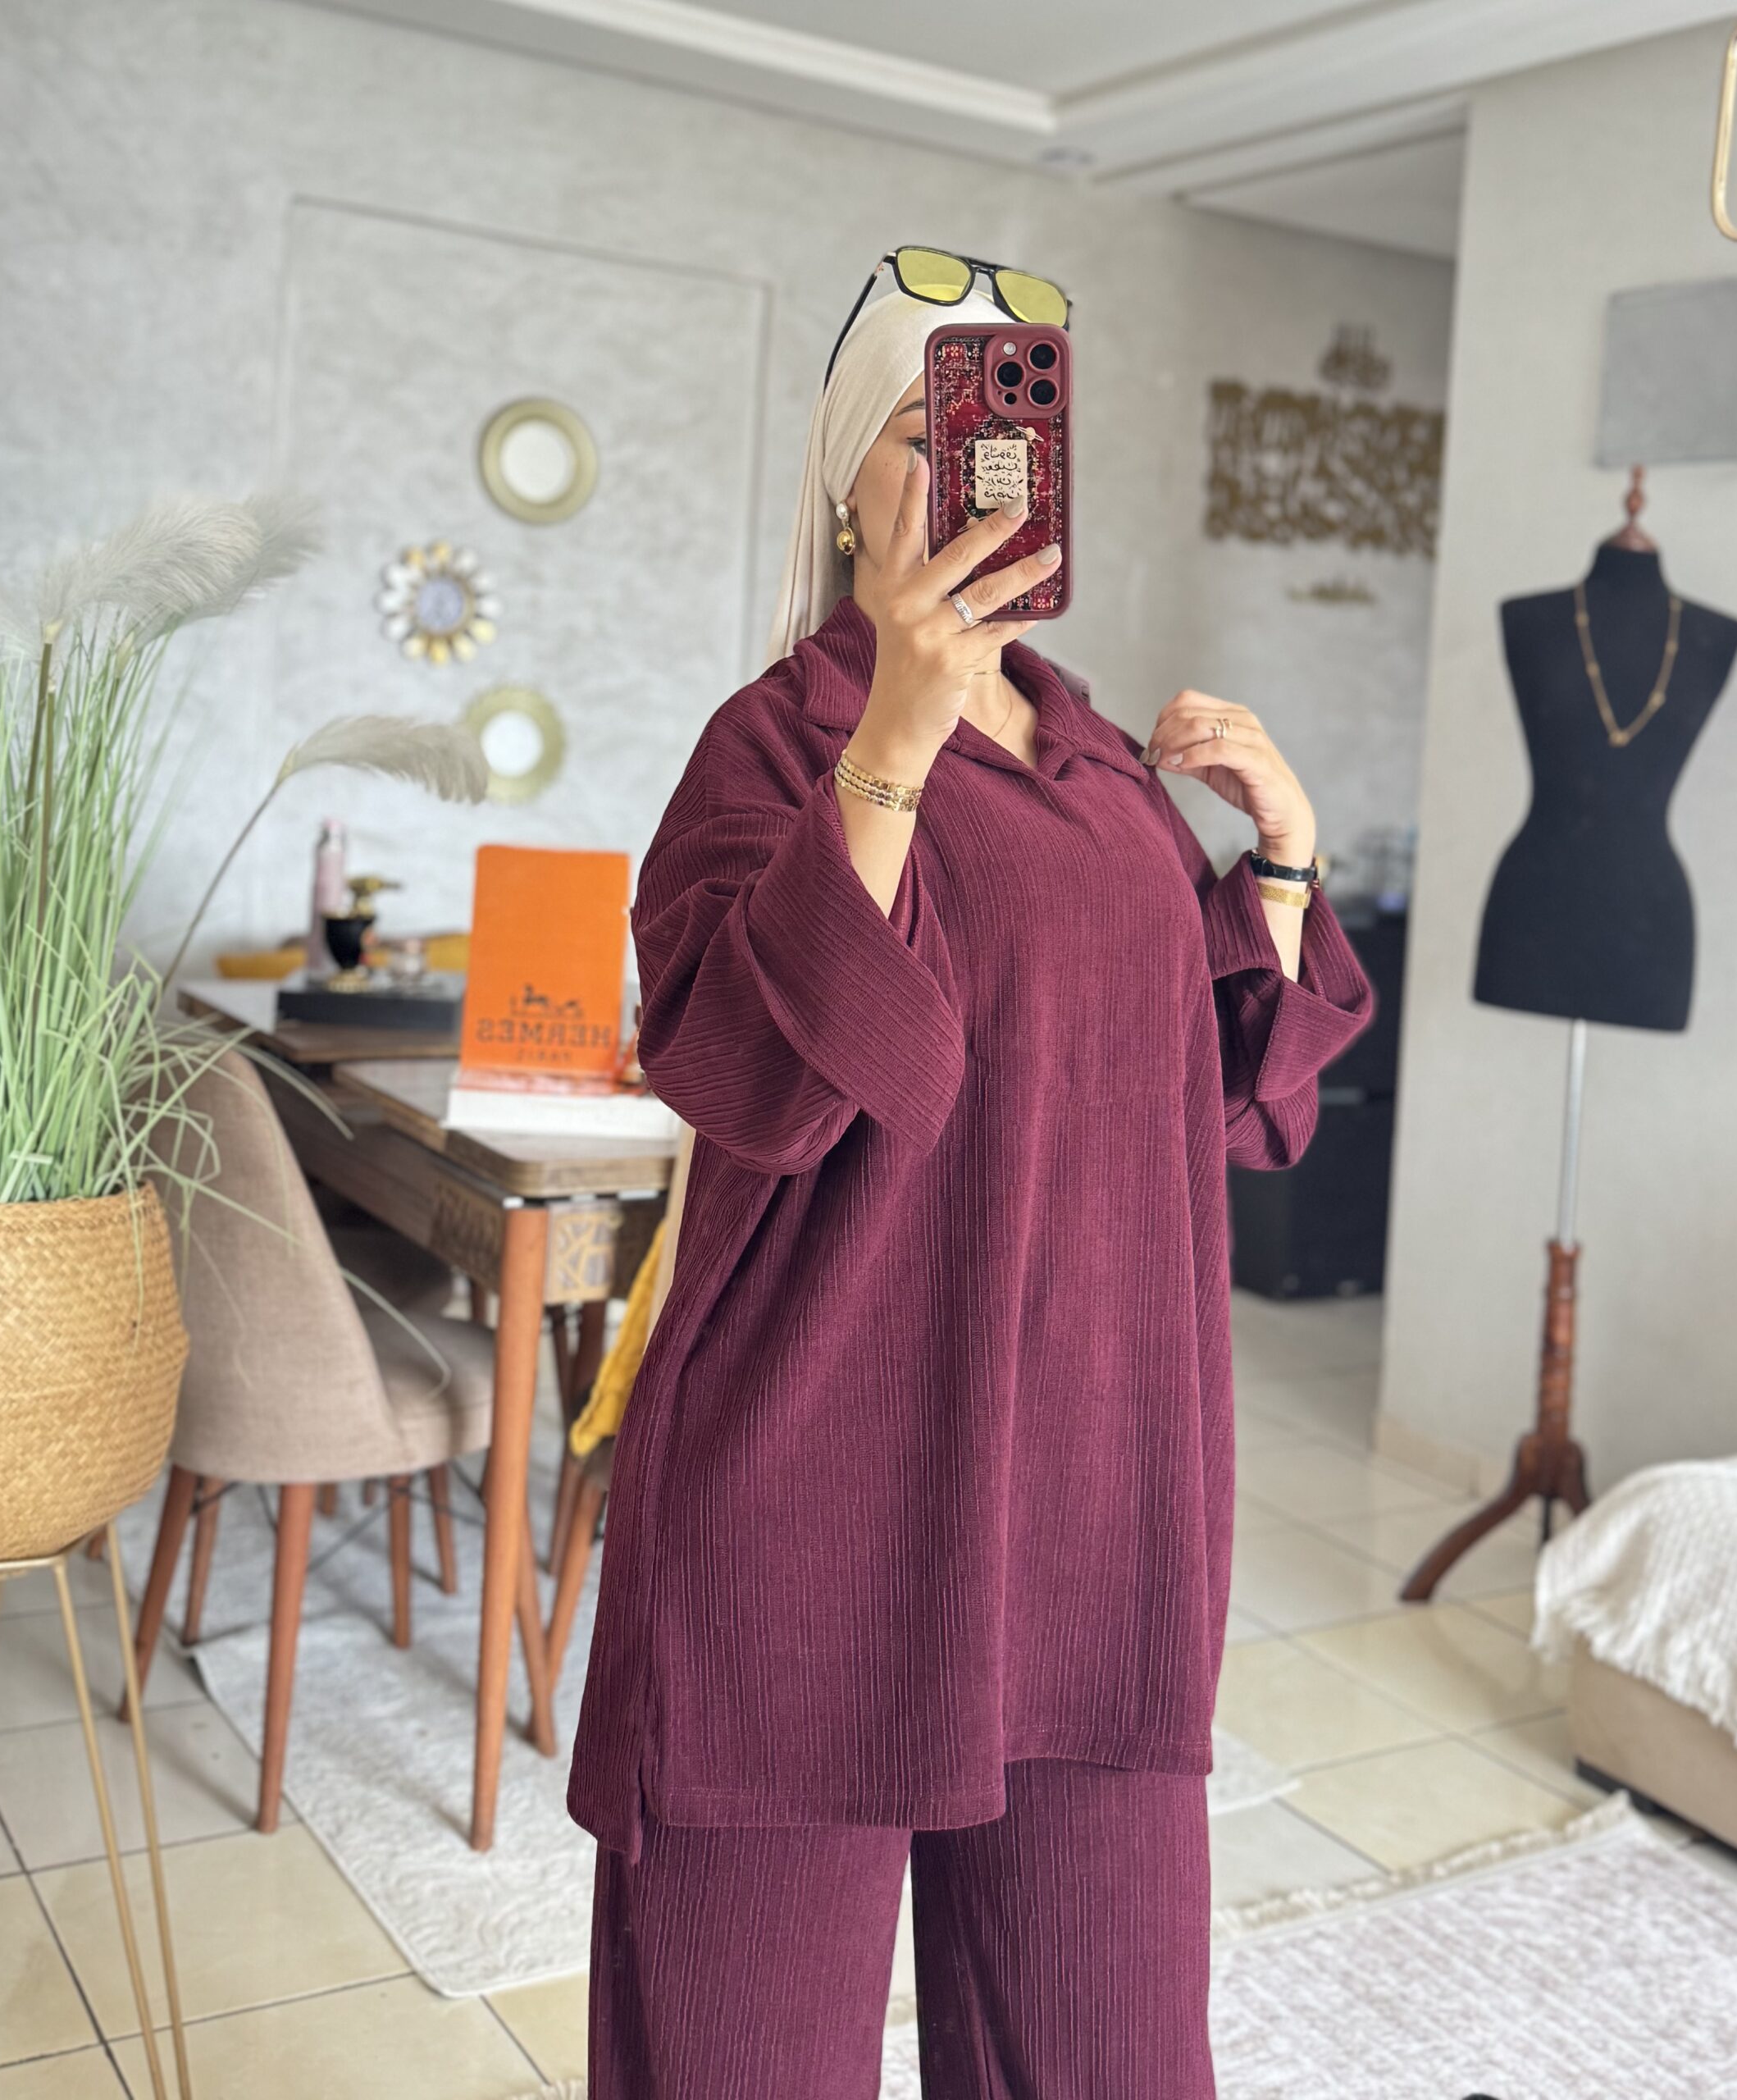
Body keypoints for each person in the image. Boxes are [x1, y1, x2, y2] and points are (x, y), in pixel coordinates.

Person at [567, 258, 1378, 2098]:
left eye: (1012, 441)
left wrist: (1278, 863)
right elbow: (757, 1078)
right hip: (815, 1519)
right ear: (847, 481)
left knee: (1106, 2053)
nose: (974, 478)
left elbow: (1218, 1107)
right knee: (741, 2065)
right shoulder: (773, 744)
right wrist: (895, 743)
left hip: (1093, 1513)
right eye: (930, 438)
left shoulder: (1104, 770)